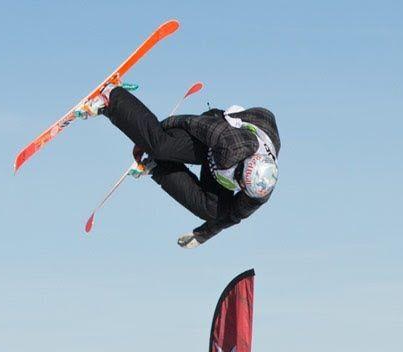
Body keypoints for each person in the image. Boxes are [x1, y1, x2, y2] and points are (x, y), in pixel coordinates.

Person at [83, 86, 278, 248]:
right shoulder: (228, 142)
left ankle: (158, 166)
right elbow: (190, 122)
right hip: (212, 130)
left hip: (223, 161)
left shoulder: (258, 193)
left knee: (212, 210)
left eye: (241, 183)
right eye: (239, 175)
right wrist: (156, 133)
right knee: (160, 145)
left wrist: (204, 234)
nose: (239, 181)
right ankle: (112, 97)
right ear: (244, 162)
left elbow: (232, 215)